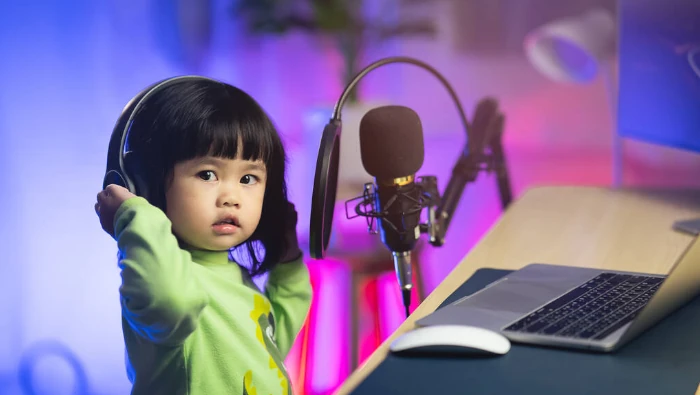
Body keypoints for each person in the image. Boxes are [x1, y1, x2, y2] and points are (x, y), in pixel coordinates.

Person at [94, 77, 312, 395]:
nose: (231, 197)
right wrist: (135, 217)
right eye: (207, 174)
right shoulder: (159, 281)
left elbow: (270, 346)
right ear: (142, 185)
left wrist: (289, 259)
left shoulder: (231, 274)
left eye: (248, 178)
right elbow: (172, 307)